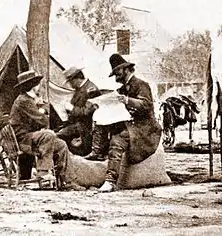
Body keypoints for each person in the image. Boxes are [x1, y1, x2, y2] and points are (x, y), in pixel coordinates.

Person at [9, 69, 86, 191]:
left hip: (29, 138)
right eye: (37, 84)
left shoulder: (28, 100)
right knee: (48, 134)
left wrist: (40, 109)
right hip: (23, 140)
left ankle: (69, 181)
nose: (39, 87)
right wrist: (43, 110)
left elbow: (38, 120)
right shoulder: (24, 101)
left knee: (61, 145)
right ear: (32, 86)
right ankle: (43, 171)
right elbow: (42, 120)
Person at [98, 54, 162, 193]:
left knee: (117, 140)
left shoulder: (141, 84)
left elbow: (146, 105)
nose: (116, 77)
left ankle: (110, 180)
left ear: (126, 69)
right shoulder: (123, 89)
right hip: (131, 125)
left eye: (117, 73)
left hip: (144, 128)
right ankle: (96, 154)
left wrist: (127, 100)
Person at [56, 66, 104, 156]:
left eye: (70, 82)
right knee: (57, 134)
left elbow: (87, 112)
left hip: (85, 129)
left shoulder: (91, 89)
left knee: (59, 137)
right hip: (77, 125)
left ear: (76, 79)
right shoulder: (80, 89)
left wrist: (71, 108)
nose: (70, 85)